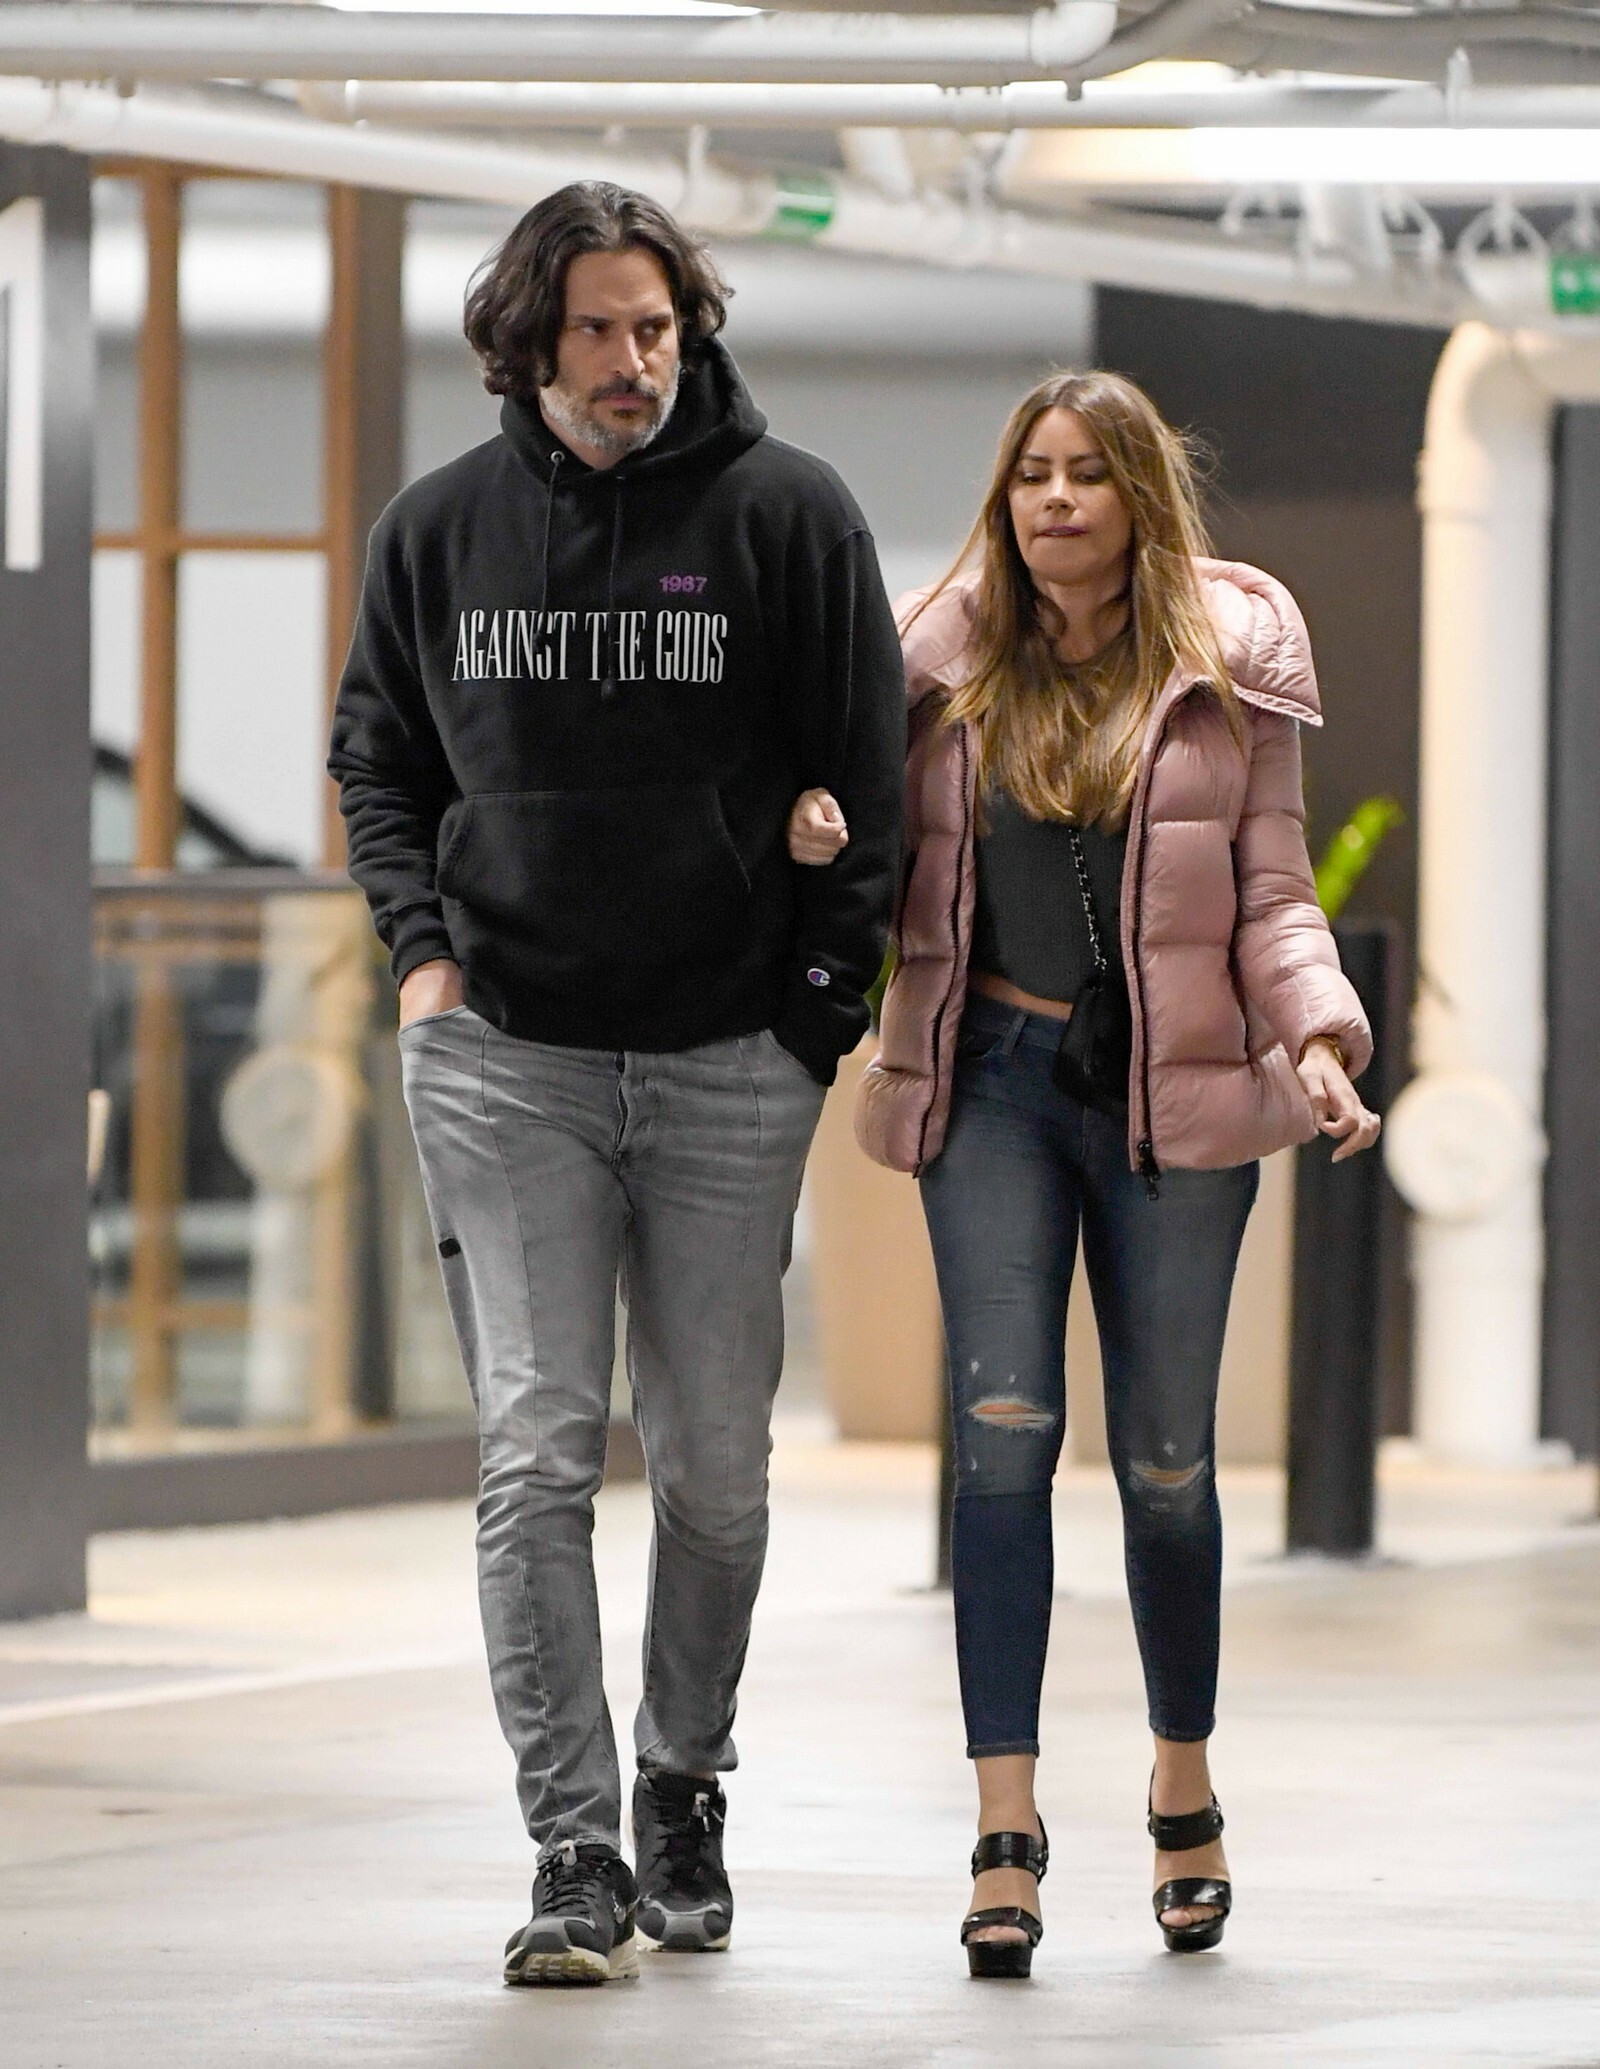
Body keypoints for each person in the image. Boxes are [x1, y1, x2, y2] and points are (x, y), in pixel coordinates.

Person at [330, 181, 904, 1986]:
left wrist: (814, 1014)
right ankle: (573, 1845)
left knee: (718, 1468)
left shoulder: (790, 514)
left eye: (656, 327)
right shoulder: (437, 533)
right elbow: (378, 764)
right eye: (597, 328)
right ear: (529, 340)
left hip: (731, 1058)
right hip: (507, 1055)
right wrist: (424, 965)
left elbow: (871, 773)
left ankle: (681, 1776)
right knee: (537, 1450)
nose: (632, 360)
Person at [788, 369, 1379, 1979]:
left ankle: (1183, 1779)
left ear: (1140, 495)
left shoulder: (1232, 658)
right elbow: (876, 857)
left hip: (1174, 1097)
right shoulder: (935, 660)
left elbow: (1274, 893)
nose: (1055, 499)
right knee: (1003, 1436)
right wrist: (815, 832)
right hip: (992, 1082)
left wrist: (1320, 1035)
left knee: (1169, 1460)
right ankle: (1005, 1824)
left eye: (1088, 473)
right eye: (1033, 473)